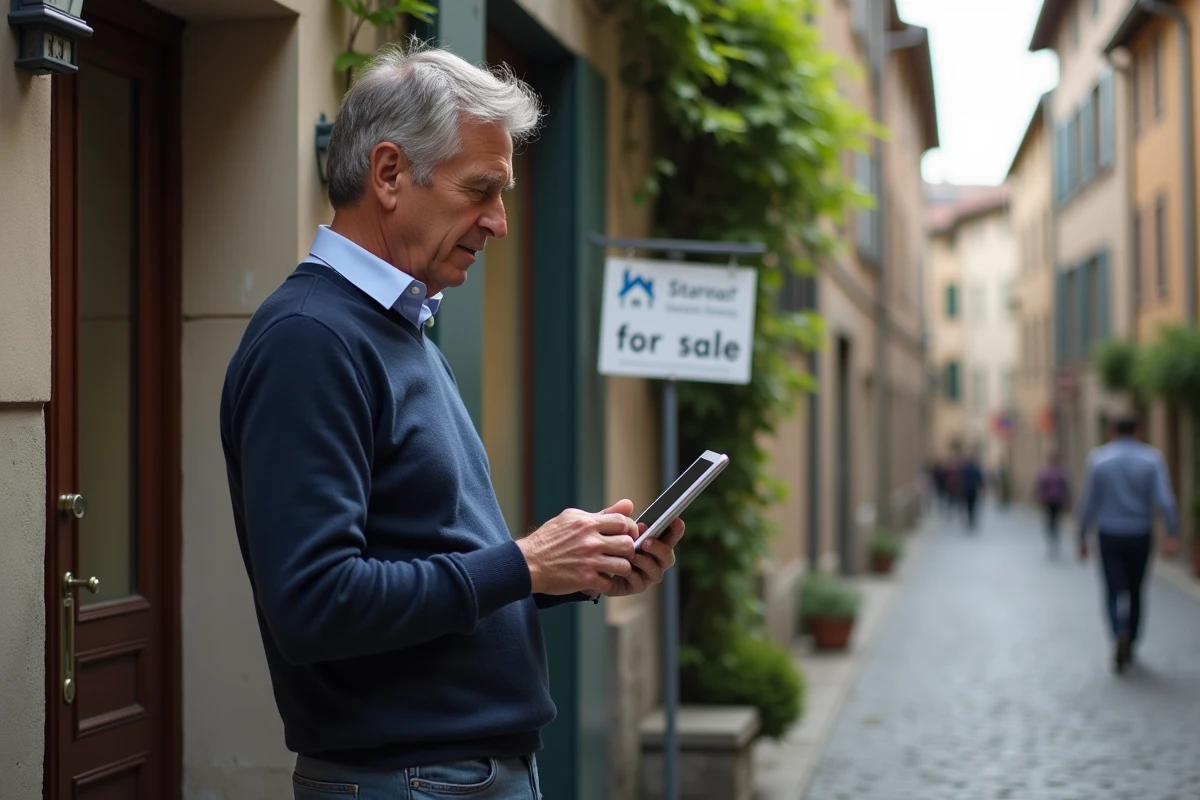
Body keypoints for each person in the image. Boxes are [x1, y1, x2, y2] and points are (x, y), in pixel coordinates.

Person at [218, 42, 684, 800]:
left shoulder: (395, 329)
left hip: (448, 776)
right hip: (412, 780)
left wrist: (570, 569)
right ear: (389, 174)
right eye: (480, 190)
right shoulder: (310, 340)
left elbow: (428, 561)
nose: (498, 222)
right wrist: (525, 562)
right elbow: (316, 604)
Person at [1077, 416, 1179, 674]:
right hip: (1140, 533)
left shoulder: (1098, 460)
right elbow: (1165, 499)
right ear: (1138, 431)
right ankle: (1131, 641)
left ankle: (1118, 632)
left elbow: (1089, 502)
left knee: (1112, 590)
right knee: (1135, 590)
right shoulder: (1152, 459)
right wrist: (1172, 532)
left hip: (1109, 534)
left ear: (1112, 432)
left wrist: (1082, 536)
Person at [1034, 450, 1071, 556]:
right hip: (1048, 500)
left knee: (1055, 519)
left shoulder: (1060, 471)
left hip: (1057, 500)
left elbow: (1066, 485)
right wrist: (1037, 496)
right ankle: (1051, 536)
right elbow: (1039, 485)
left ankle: (1055, 536)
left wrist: (1068, 498)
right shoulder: (1046, 471)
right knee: (1050, 520)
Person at [958, 450, 984, 531]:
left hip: (965, 490)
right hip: (973, 490)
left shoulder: (964, 469)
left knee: (968, 505)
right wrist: (982, 489)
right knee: (973, 505)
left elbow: (960, 480)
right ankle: (971, 519)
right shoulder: (976, 469)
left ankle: (970, 518)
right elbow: (980, 480)